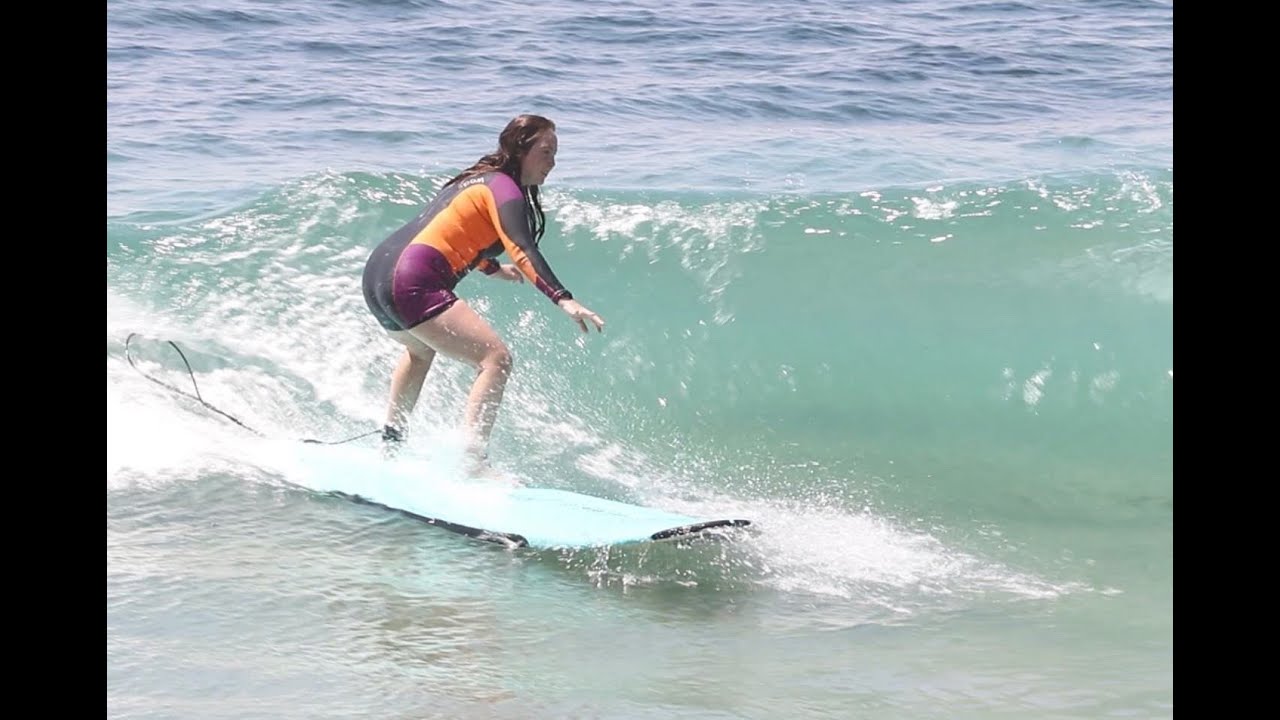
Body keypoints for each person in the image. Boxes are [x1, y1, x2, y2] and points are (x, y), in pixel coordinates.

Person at [361, 114, 605, 474]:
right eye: (546, 151)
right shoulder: (505, 188)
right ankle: (473, 464)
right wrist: (563, 298)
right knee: (496, 359)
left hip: (378, 275)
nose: (553, 162)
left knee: (420, 350)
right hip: (412, 280)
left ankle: (391, 445)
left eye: (555, 153)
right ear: (520, 149)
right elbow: (521, 248)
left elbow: (455, 232)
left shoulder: (474, 180)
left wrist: (492, 269)